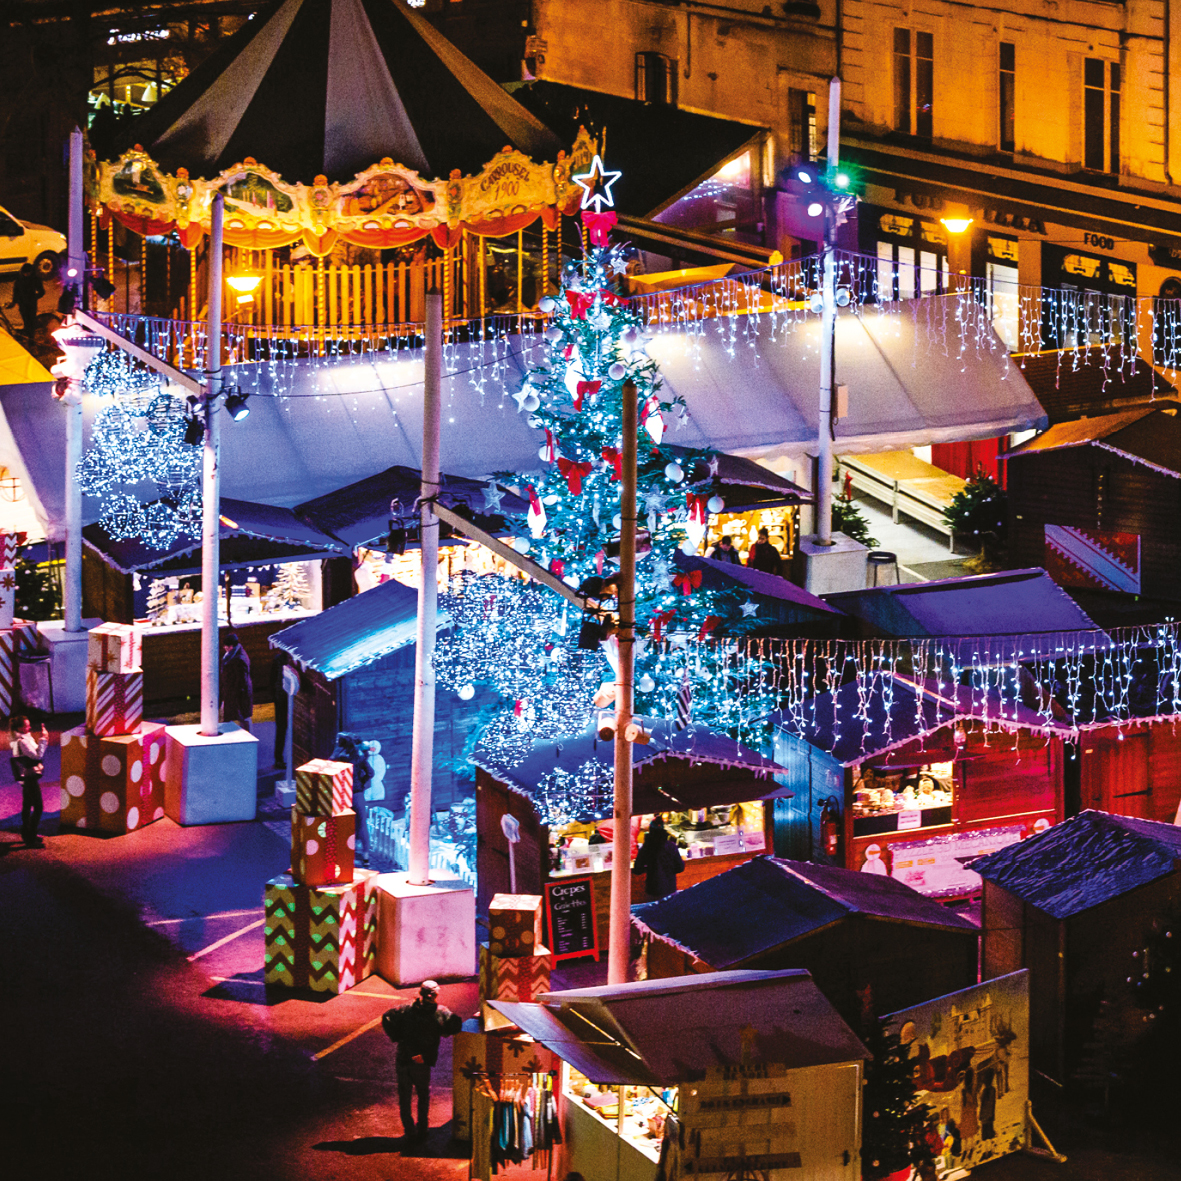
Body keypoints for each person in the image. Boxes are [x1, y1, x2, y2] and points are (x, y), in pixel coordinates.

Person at [382, 980, 462, 1142]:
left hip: (404, 1057)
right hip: (422, 1060)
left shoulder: (405, 1009)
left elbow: (387, 1018)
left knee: (404, 1096)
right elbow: (455, 1025)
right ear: (434, 995)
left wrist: (396, 1036)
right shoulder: (440, 1012)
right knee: (423, 1095)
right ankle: (423, 1128)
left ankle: (410, 1130)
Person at [11, 715, 48, 847]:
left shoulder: (23, 738)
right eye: (27, 725)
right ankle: (30, 837)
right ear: (20, 728)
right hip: (30, 776)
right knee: (38, 807)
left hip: (27, 775)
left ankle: (27, 834)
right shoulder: (23, 741)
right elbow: (38, 755)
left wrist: (42, 740)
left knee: (27, 805)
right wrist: (44, 739)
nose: (30, 727)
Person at [631, 816, 684, 899]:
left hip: (653, 890)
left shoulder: (646, 848)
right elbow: (680, 867)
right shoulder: (671, 846)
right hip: (670, 888)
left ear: (650, 830)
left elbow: (638, 870)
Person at [219, 632, 253, 732]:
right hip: (233, 694)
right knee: (237, 717)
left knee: (243, 717)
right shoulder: (233, 654)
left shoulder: (239, 659)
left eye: (227, 646)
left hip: (238, 696)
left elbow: (242, 680)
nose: (224, 647)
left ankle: (248, 739)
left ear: (232, 646)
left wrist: (233, 694)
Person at [7, 263, 44, 340]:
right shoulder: (19, 278)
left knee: (31, 319)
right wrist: (14, 302)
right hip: (22, 303)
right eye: (25, 273)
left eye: (28, 273)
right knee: (25, 319)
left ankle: (31, 337)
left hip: (31, 303)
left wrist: (34, 297)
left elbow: (42, 291)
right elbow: (16, 291)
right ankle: (27, 332)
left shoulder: (35, 279)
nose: (26, 274)